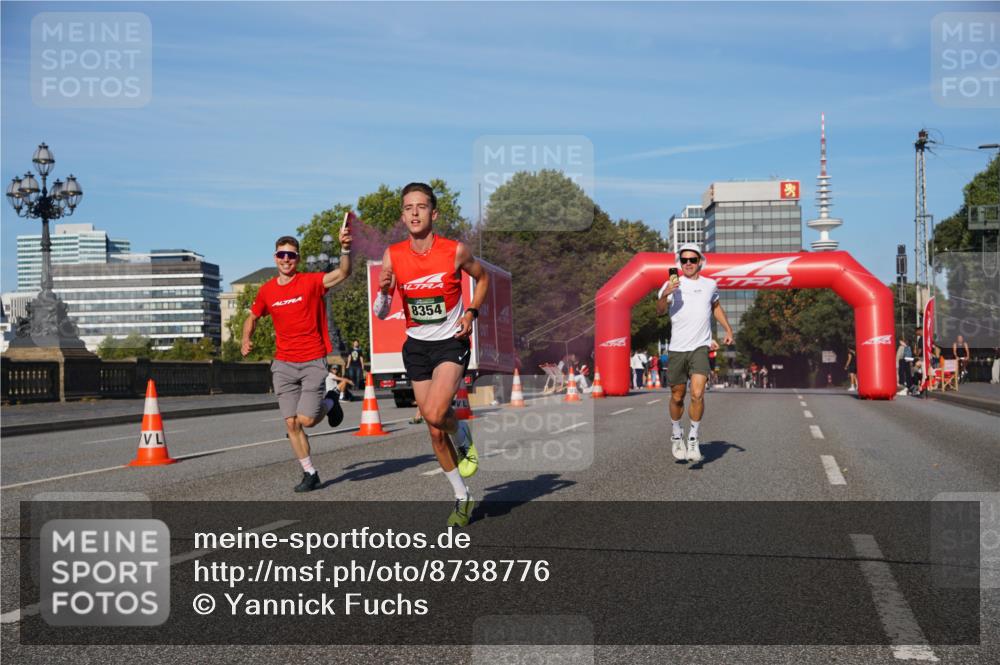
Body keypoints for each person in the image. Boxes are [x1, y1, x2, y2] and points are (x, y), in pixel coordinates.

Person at [374, 182, 489, 527]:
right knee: (434, 428)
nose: (414, 212)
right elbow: (381, 311)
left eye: (421, 206)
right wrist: (382, 292)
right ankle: (462, 496)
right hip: (416, 347)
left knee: (438, 413)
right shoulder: (393, 255)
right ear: (402, 214)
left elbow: (481, 280)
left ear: (433, 213)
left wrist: (471, 313)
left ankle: (463, 434)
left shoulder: (454, 251)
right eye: (408, 207)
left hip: (451, 343)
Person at [242, 226, 352, 493]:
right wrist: (246, 338)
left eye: (291, 255)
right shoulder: (267, 291)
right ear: (275, 257)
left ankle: (330, 400)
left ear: (298, 259)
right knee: (290, 422)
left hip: (313, 359)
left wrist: (345, 249)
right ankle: (310, 472)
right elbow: (253, 316)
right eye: (282, 254)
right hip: (283, 364)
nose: (286, 259)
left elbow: (343, 272)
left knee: (307, 420)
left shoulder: (311, 282)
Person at [656, 243, 734, 463]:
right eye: (684, 260)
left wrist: (728, 329)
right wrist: (665, 295)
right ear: (679, 263)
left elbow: (715, 307)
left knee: (698, 394)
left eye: (692, 260)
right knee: (677, 396)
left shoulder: (710, 284)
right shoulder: (671, 284)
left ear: (700, 261)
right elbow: (659, 311)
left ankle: (693, 439)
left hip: (701, 346)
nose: (688, 264)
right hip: (677, 349)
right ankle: (676, 433)